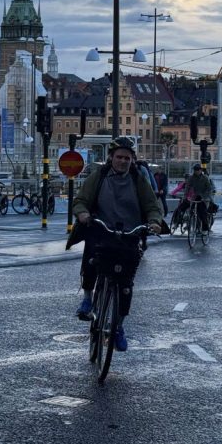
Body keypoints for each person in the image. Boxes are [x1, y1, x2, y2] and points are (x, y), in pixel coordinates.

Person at [71, 136, 162, 352]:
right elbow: (81, 200)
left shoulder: (138, 179)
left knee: (126, 286)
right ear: (111, 157)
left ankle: (118, 326)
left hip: (129, 233)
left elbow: (152, 205)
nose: (123, 161)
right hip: (102, 228)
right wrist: (83, 213)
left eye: (127, 158)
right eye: (119, 157)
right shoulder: (99, 176)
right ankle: (87, 298)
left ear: (132, 160)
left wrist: (154, 222)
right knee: (92, 256)